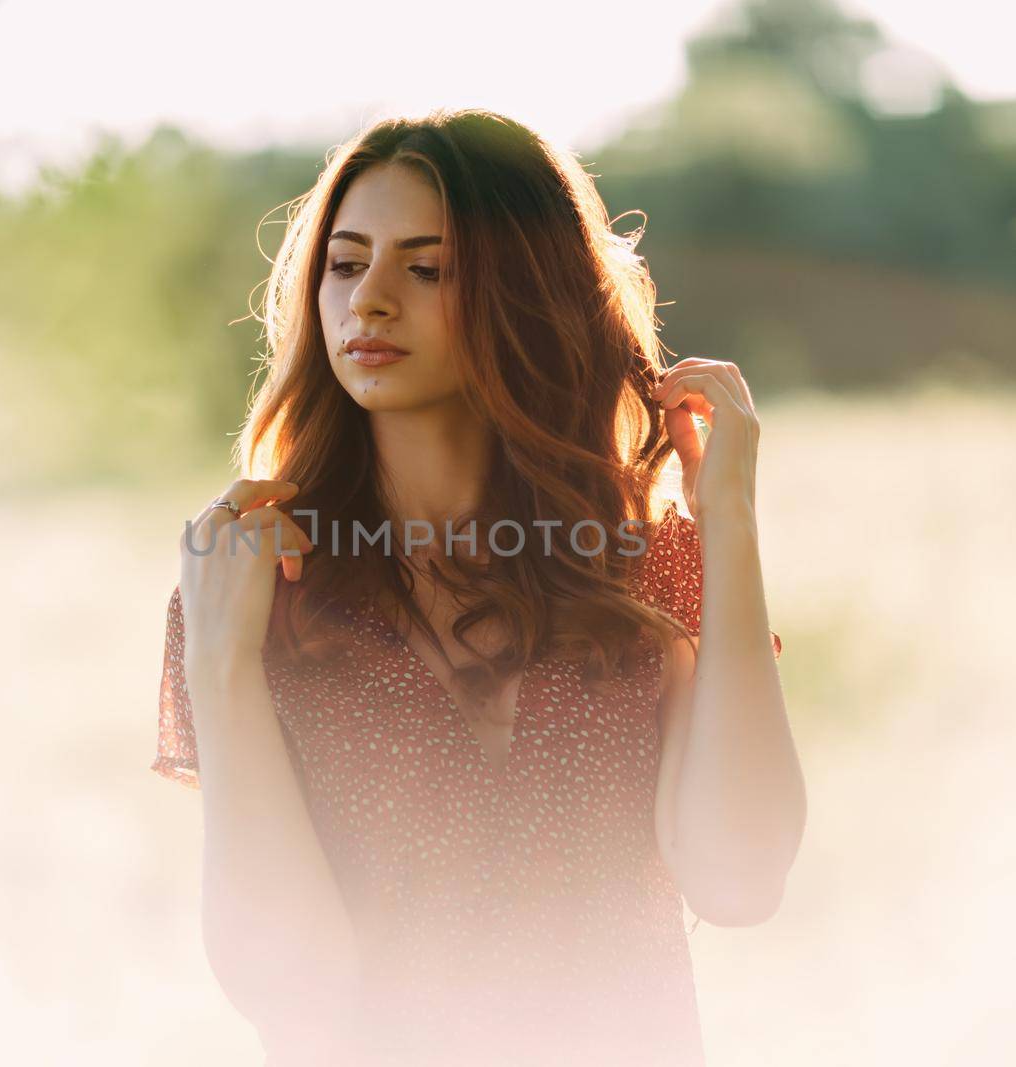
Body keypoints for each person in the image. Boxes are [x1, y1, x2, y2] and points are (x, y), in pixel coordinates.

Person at [152, 108, 804, 1066]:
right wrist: (218, 661)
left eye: (427, 268)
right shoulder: (253, 594)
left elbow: (741, 880)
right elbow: (291, 991)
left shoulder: (643, 567)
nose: (368, 301)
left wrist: (730, 530)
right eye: (344, 263)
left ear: (528, 293)